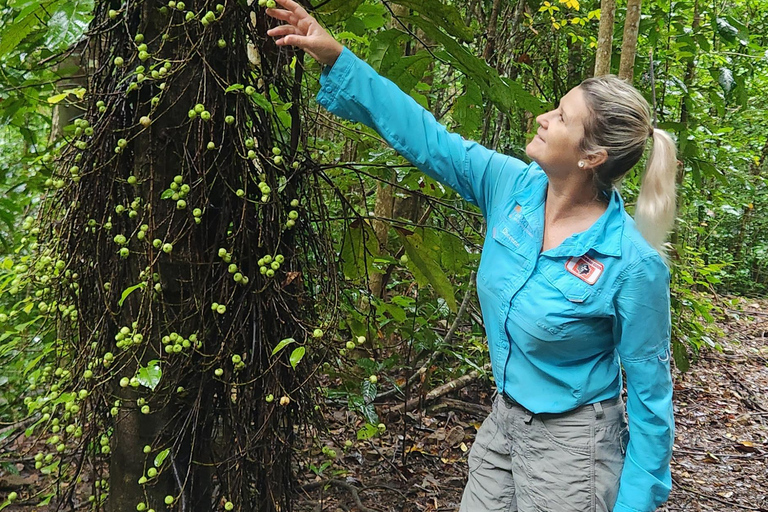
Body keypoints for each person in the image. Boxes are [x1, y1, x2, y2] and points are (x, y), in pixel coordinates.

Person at [266, 1, 676, 511]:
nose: (543, 118)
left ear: (590, 157)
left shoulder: (631, 264)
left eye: (562, 117)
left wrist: (635, 502)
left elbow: (651, 395)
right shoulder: (513, 188)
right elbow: (429, 140)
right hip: (504, 424)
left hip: (575, 450)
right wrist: (337, 58)